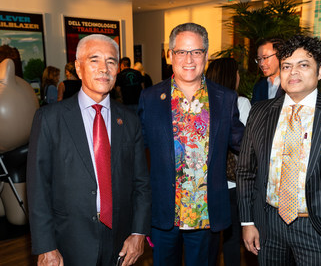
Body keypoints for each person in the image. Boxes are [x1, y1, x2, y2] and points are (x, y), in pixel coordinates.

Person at [237, 35, 321, 265]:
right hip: (268, 227)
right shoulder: (260, 112)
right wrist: (247, 221)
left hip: (318, 230)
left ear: (320, 71)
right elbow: (245, 171)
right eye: (287, 66)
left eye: (303, 65)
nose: (293, 73)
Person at [27, 34, 151, 266]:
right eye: (94, 60)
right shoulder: (49, 118)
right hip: (68, 242)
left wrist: (138, 233)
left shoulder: (130, 120)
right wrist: (46, 246)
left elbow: (141, 183)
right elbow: (38, 188)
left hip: (120, 240)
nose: (104, 68)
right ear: (78, 67)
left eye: (111, 61)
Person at [138, 23, 244, 266]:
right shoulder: (151, 98)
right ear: (170, 55)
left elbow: (244, 143)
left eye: (196, 52)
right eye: (181, 52)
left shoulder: (225, 98)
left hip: (205, 217)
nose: (189, 59)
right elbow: (135, 150)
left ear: (205, 56)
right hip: (164, 215)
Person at [205, 57, 250, 266]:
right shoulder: (240, 102)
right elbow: (248, 145)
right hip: (234, 183)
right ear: (231, 76)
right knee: (232, 240)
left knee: (209, 240)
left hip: (208, 184)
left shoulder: (202, 103)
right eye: (237, 73)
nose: (239, 76)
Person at [251, 38, 285, 105]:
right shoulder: (258, 87)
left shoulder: (291, 84)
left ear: (280, 55)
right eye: (259, 59)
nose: (261, 63)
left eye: (265, 58)